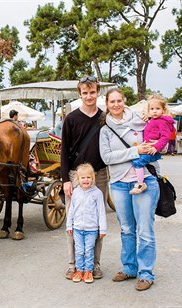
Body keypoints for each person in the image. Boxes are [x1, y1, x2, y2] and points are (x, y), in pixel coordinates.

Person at [99, 88, 160, 291]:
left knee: (144, 230)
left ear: (124, 101)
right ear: (107, 105)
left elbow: (156, 143)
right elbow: (106, 157)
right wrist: (135, 150)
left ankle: (145, 273)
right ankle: (129, 267)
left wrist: (148, 150)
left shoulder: (142, 122)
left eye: (119, 100)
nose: (116, 104)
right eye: (112, 101)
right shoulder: (105, 130)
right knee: (126, 229)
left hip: (145, 181)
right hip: (118, 183)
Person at [60, 76, 108, 280]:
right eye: (85, 93)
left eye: (93, 92)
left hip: (100, 173)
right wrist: (65, 179)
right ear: (80, 94)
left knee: (96, 220)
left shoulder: (105, 118)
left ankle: (95, 264)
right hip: (76, 175)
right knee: (74, 220)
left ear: (98, 92)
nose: (89, 96)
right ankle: (73, 263)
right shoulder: (71, 119)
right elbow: (64, 151)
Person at [66, 163, 107, 284]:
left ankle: (88, 270)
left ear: (93, 178)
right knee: (79, 250)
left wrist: (103, 229)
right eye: (82, 178)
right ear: (78, 179)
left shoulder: (97, 193)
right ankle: (79, 270)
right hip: (78, 228)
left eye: (88, 177)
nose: (86, 180)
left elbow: (101, 211)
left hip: (91, 229)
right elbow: (71, 211)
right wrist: (69, 225)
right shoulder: (76, 193)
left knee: (89, 250)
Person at [130, 95, 174, 194]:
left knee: (138, 162)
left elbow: (165, 137)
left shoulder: (163, 122)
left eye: (157, 109)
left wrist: (156, 146)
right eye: (152, 109)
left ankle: (140, 183)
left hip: (153, 151)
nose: (154, 111)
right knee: (136, 160)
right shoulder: (152, 120)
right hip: (149, 149)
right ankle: (140, 181)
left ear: (163, 110)